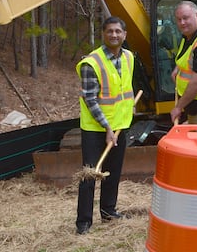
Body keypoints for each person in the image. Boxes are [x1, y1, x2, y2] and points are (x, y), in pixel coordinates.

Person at [75, 16, 136, 235]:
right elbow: (90, 100)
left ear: (124, 35)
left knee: (113, 172)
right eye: (110, 31)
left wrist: (129, 111)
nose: (114, 35)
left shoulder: (129, 57)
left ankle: (109, 212)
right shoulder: (92, 62)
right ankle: (83, 222)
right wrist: (107, 128)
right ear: (104, 33)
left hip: (120, 125)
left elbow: (124, 89)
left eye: (118, 31)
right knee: (90, 174)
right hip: (95, 129)